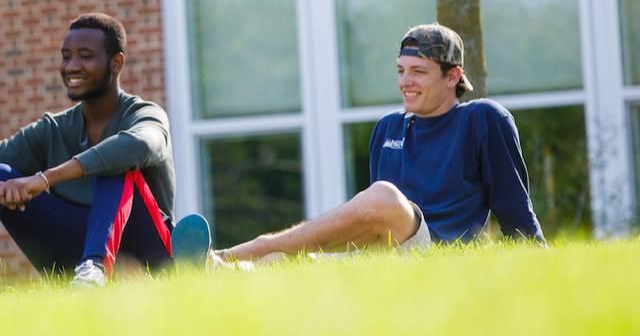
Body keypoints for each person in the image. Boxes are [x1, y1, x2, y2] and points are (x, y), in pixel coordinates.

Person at [209, 23, 545, 264]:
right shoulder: (388, 128)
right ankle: (224, 268)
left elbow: (514, 206)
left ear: (453, 76)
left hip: (433, 252)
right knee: (299, 260)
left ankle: (247, 249)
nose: (405, 82)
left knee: (383, 196)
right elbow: (365, 222)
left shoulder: (482, 119)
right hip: (382, 253)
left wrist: (537, 260)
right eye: (400, 71)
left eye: (418, 71)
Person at [0, 14, 177, 295]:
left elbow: (140, 145)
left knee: (113, 165)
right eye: (66, 56)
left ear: (116, 63)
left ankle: (95, 268)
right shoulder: (54, 129)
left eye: (85, 56)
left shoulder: (145, 115)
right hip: (73, 259)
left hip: (145, 252)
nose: (71, 67)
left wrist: (44, 180)